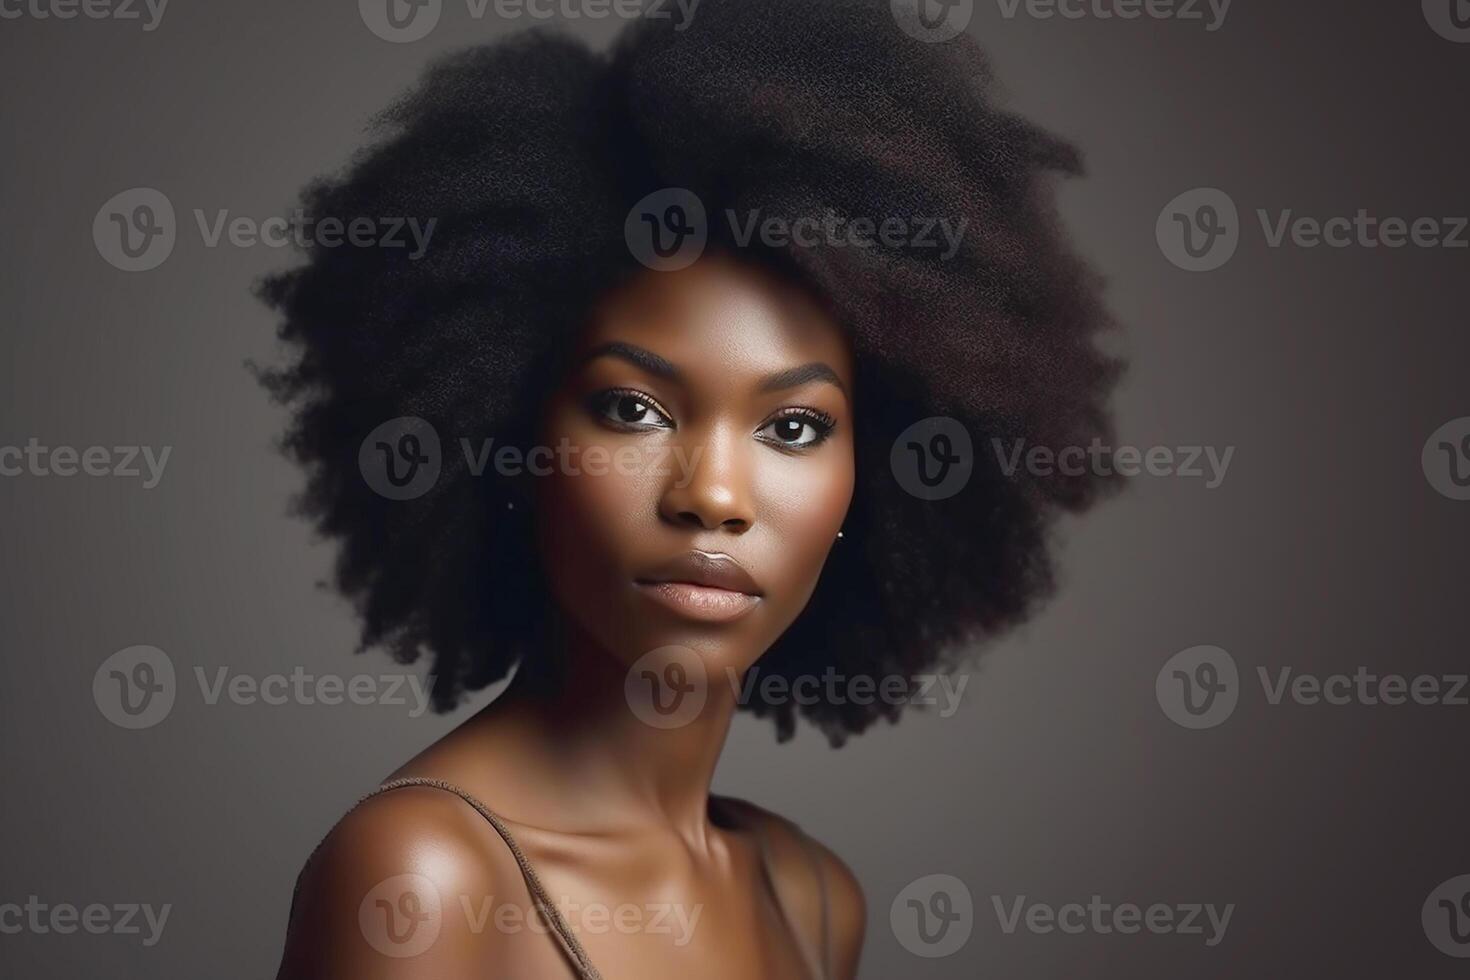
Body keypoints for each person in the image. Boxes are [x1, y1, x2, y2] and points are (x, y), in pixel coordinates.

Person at [261, 1, 1121, 976]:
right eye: (634, 410)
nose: (712, 494)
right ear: (507, 437)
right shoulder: (424, 877)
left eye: (793, 427)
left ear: (871, 487)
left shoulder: (809, 897)